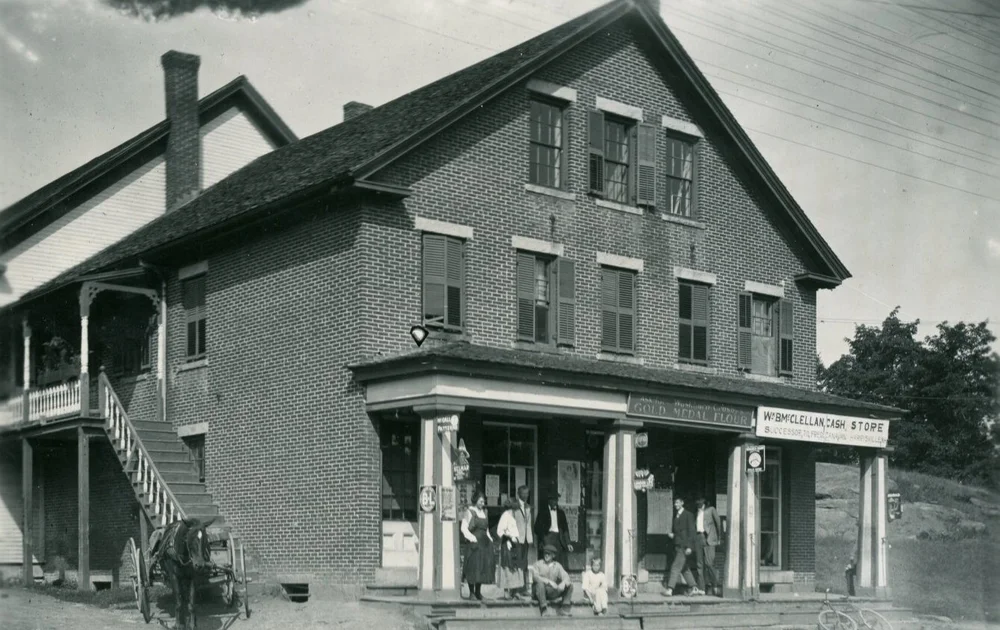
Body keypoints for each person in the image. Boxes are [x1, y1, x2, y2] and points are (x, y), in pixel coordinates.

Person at [662, 496, 704, 597]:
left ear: (682, 503)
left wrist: (689, 547)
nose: (675, 505)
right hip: (677, 546)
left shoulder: (688, 515)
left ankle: (670, 589)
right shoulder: (676, 516)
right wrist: (673, 535)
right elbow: (680, 532)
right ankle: (694, 587)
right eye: (675, 503)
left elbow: (691, 532)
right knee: (684, 568)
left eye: (677, 503)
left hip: (684, 546)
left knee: (675, 567)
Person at [461, 490, 495, 602]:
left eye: (483, 501)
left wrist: (490, 539)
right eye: (480, 501)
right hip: (474, 544)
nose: (482, 503)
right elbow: (464, 528)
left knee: (482, 568)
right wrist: (472, 538)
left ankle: (478, 592)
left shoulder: (484, 512)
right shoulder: (470, 512)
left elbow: (487, 529)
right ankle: (471, 593)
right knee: (473, 568)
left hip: (484, 544)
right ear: (475, 500)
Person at [529, 544, 574, 617]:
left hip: (551, 592)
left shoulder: (557, 565)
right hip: (538, 592)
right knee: (540, 583)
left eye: (548, 554)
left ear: (553, 555)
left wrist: (563, 583)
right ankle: (544, 609)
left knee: (569, 585)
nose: (546, 555)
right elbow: (535, 577)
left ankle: (564, 609)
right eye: (545, 553)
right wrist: (549, 582)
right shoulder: (538, 564)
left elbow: (566, 577)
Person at [533, 492, 573, 569]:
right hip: (547, 538)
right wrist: (543, 537)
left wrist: (568, 543)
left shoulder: (561, 513)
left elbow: (565, 529)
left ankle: (558, 579)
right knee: (548, 559)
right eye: (553, 500)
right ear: (549, 501)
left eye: (556, 500)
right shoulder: (543, 512)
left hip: (558, 538)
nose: (555, 502)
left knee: (559, 561)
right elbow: (536, 528)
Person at [495, 496, 524, 599]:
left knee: (516, 567)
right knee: (507, 567)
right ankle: (506, 591)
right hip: (508, 544)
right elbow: (499, 531)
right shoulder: (506, 515)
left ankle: (515, 591)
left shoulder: (514, 515)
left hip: (516, 544)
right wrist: (509, 537)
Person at [694, 497, 723, 597]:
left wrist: (719, 538)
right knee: (699, 564)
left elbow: (718, 524)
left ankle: (715, 585)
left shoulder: (711, 510)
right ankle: (701, 589)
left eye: (700, 504)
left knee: (709, 563)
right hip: (698, 537)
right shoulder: (697, 513)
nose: (698, 505)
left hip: (708, 539)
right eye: (697, 504)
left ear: (704, 503)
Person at [512, 485, 534, 599]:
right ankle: (515, 590)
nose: (526, 495)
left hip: (525, 539)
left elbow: (529, 524)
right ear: (518, 494)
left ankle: (524, 588)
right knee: (517, 564)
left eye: (527, 493)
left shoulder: (528, 507)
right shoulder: (514, 506)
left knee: (524, 563)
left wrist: (530, 538)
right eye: (523, 493)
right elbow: (511, 522)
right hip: (517, 539)